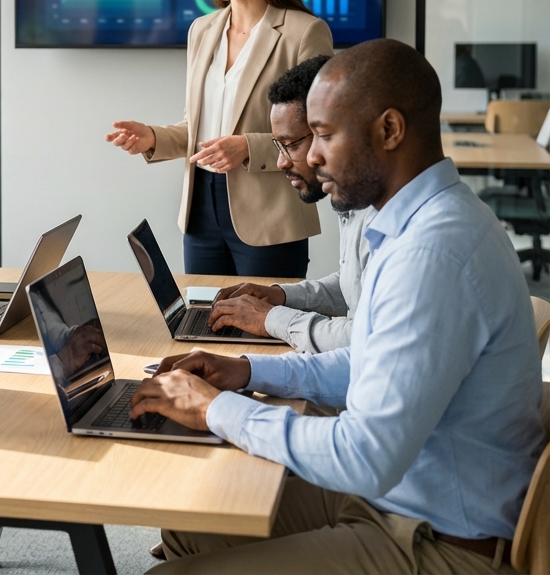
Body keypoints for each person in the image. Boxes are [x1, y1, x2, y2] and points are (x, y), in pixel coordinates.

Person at [130, 39, 545, 574]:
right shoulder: (415, 223)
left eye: (323, 135)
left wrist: (213, 408)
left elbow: (363, 455)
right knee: (194, 521)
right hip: (401, 498)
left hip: (439, 542)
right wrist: (246, 369)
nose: (312, 155)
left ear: (390, 130)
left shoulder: (432, 253)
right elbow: (369, 362)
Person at [106, 0, 333, 278]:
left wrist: (247, 147)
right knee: (204, 322)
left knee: (265, 329)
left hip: (269, 215)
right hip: (200, 213)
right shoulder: (203, 30)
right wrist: (152, 138)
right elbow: (198, 128)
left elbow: (318, 132)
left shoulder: (303, 32)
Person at [206, 54, 375, 352]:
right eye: (277, 146)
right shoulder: (354, 203)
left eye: (292, 144)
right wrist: (280, 296)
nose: (281, 162)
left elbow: (366, 340)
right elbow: (355, 287)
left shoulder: (386, 216)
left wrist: (272, 318)